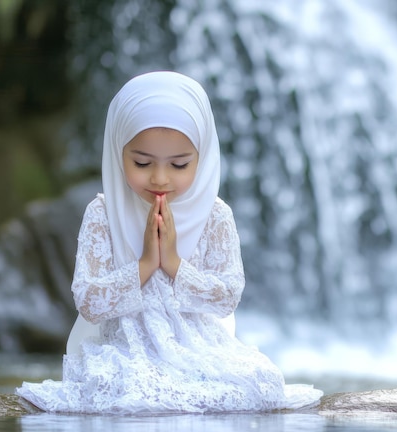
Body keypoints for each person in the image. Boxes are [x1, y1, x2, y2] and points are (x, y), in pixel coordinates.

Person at [16, 71, 323, 414]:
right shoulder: (104, 212)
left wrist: (174, 263)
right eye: (142, 162)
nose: (160, 178)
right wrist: (145, 264)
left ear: (202, 157)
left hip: (199, 347)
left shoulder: (215, 214)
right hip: (125, 347)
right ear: (118, 152)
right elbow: (88, 301)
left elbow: (227, 296)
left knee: (260, 384)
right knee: (124, 387)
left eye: (179, 164)